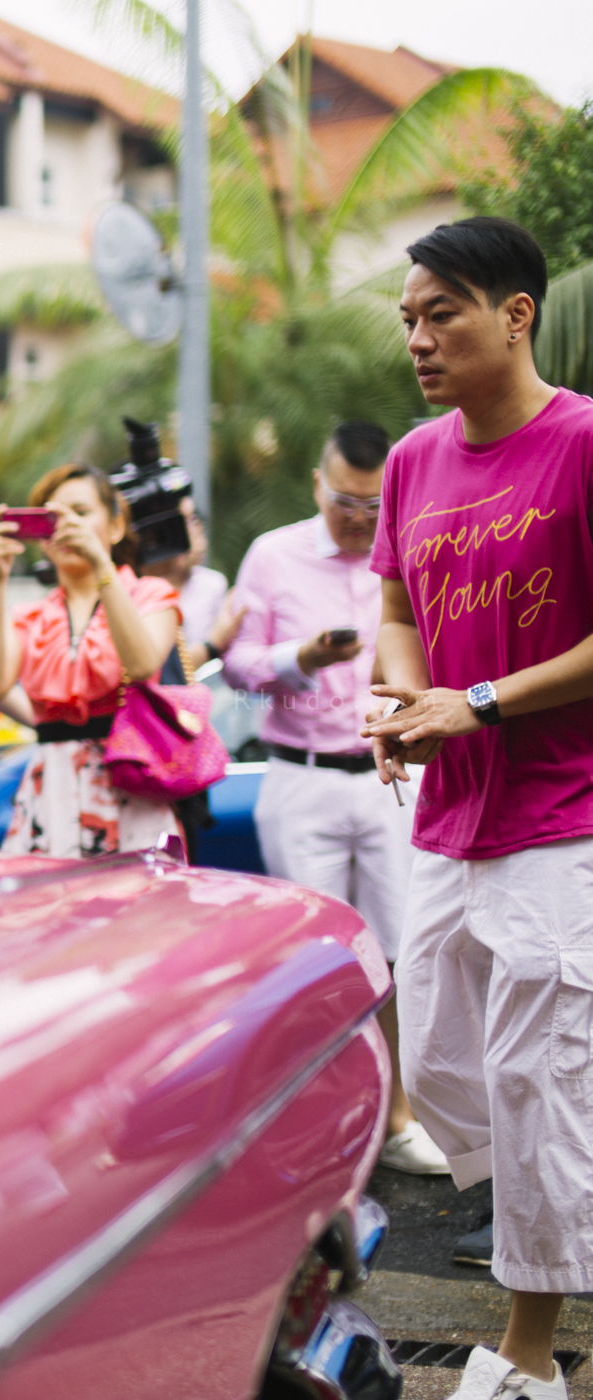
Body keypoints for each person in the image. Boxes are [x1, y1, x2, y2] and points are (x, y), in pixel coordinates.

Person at [362, 216, 593, 1400]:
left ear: (515, 313)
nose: (417, 337)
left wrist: (482, 701)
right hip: (449, 818)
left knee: (534, 1076)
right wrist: (404, 697)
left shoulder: (585, 442)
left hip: (565, 813)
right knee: (449, 1067)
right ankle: (565, 1191)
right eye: (407, 317)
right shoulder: (412, 461)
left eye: (440, 311)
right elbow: (397, 608)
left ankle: (530, 1353)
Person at [225, 420, 449, 1178]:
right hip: (302, 773)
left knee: (399, 947)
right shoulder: (273, 553)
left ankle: (399, 1118)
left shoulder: (413, 549)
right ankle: (321, 1122)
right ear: (318, 484)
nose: (356, 517)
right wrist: (303, 657)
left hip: (393, 776)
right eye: (344, 501)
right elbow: (235, 666)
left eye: (371, 504)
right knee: (313, 956)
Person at [0, 463, 182, 857]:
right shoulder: (30, 616)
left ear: (116, 527)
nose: (67, 527)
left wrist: (102, 564)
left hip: (130, 787)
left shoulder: (151, 595)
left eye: (81, 513)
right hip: (50, 789)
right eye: (54, 518)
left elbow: (141, 665)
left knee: (134, 897)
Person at [140, 495, 229, 676]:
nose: (196, 529)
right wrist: (211, 646)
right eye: (185, 522)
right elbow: (152, 673)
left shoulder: (212, 584)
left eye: (195, 520)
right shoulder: (130, 589)